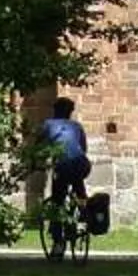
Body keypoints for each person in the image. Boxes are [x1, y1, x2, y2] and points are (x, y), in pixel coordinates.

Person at [36, 96, 91, 236]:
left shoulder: (48, 124)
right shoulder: (76, 126)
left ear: (55, 110)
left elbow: (38, 147)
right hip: (82, 164)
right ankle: (84, 211)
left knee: (58, 200)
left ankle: (56, 235)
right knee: (78, 183)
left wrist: (37, 162)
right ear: (70, 112)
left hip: (64, 166)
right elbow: (83, 148)